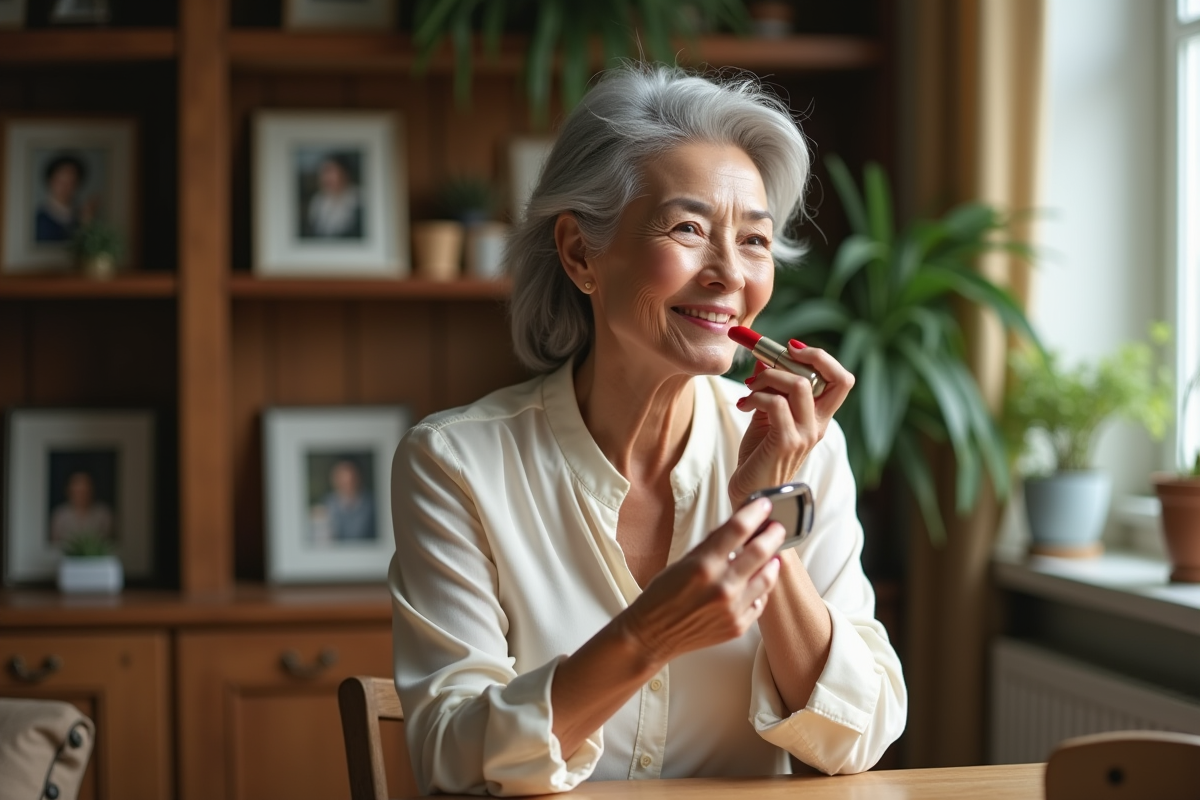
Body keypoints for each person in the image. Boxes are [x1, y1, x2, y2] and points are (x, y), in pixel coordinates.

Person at [389, 65, 907, 797]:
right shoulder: (456, 463)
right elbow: (453, 760)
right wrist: (648, 633)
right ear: (580, 254)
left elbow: (859, 738)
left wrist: (769, 522)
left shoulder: (802, 446)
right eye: (689, 229)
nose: (730, 273)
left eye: (755, 241)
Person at [312, 459, 375, 542]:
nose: (347, 485)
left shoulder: (371, 503)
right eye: (343, 481)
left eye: (350, 480)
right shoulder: (326, 504)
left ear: (358, 478)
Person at [302, 154, 362, 239]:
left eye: (331, 171)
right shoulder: (318, 202)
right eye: (323, 172)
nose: (326, 178)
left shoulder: (359, 200)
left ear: (345, 173)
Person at [49, 471, 114, 545]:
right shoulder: (59, 515)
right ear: (69, 491)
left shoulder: (104, 514)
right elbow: (54, 545)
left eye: (85, 490)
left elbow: (109, 543)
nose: (81, 495)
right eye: (77, 490)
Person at [35, 154, 89, 243]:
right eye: (60, 181)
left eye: (71, 183)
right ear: (50, 181)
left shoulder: (82, 217)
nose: (65, 188)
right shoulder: (39, 218)